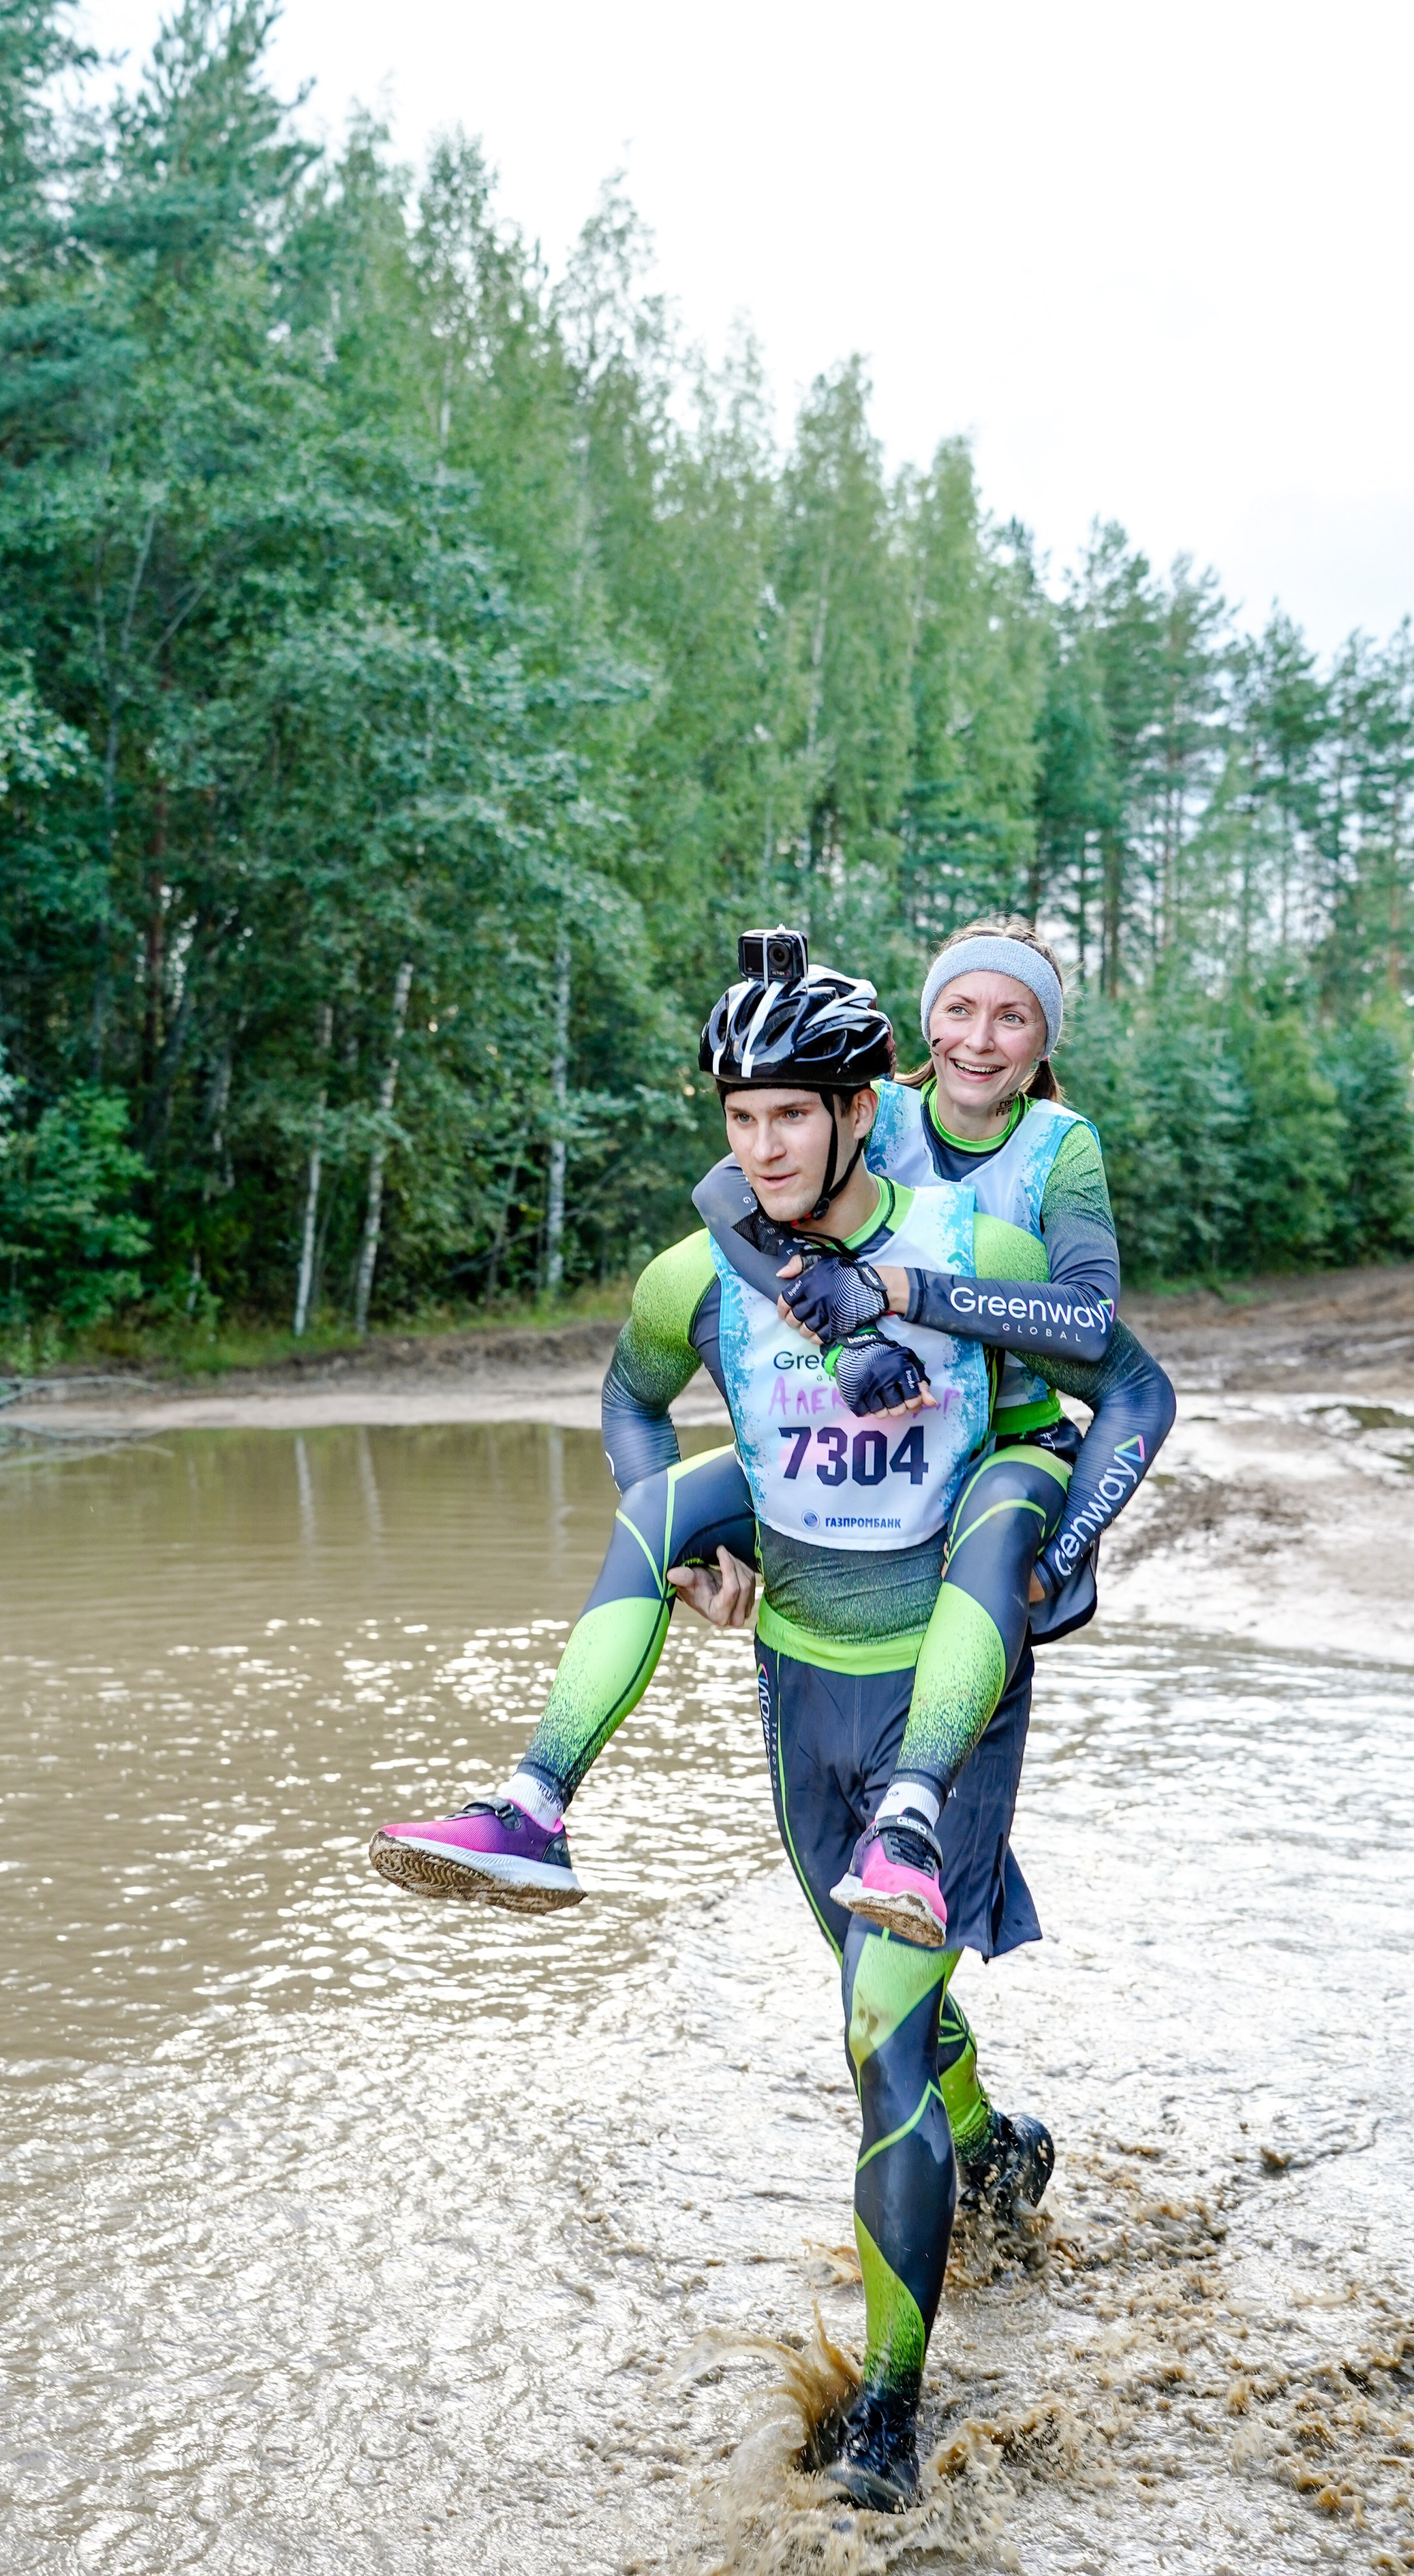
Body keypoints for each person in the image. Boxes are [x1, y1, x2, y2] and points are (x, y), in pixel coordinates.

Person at [372, 940, 1177, 2510]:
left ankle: (885, 2409)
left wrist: (1063, 1553)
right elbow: (627, 1397)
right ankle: (534, 1807)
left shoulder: (975, 1239)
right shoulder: (698, 1274)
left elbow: (1126, 1385)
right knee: (876, 1997)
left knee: (876, 2032)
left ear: (862, 1112)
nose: (761, 1148)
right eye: (738, 1119)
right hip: (799, 1679)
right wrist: (690, 1548)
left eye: (790, 1116)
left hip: (948, 1683)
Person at [371, 918, 1169, 1921]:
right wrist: (839, 1332)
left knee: (1002, 1501)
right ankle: (530, 1810)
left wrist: (894, 1293)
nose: (979, 1038)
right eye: (959, 1009)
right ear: (927, 1022)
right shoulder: (878, 1107)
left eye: (1013, 1018)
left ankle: (911, 1821)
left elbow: (1090, 1323)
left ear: (1043, 1040)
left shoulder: (1061, 1147)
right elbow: (726, 1192)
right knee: (657, 1508)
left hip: (1000, 1442)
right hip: (857, 1441)